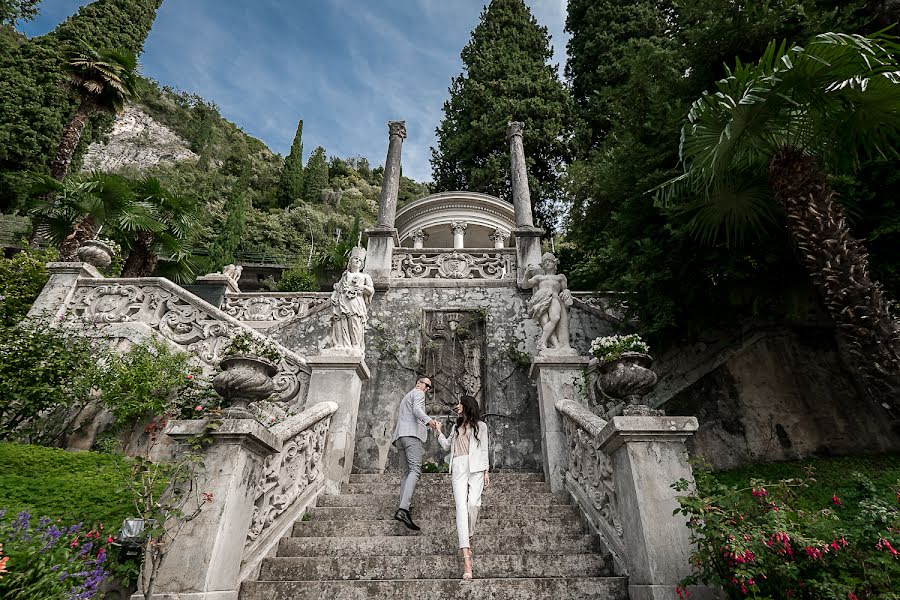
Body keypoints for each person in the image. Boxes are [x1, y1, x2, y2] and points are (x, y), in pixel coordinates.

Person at [435, 395, 490, 580]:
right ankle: (467, 558)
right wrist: (439, 431)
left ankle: (468, 532)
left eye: (459, 403)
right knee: (460, 509)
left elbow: (484, 449)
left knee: (473, 505)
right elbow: (446, 446)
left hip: (476, 467)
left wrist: (486, 470)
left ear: (467, 406)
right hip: (458, 466)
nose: (457, 406)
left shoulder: (481, 426)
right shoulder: (456, 427)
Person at [392, 376, 439, 531]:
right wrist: (430, 421)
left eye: (429, 387)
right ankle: (404, 509)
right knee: (415, 471)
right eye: (426, 384)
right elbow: (417, 410)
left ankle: (402, 507)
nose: (427, 388)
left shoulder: (407, 396)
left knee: (407, 473)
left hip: (400, 437)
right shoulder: (418, 393)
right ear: (418, 383)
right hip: (411, 436)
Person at [521, 252, 573, 351]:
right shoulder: (539, 278)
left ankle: (542, 341)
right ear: (542, 266)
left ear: (555, 263)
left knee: (555, 318)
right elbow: (525, 285)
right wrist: (526, 275)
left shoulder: (560, 277)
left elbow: (564, 290)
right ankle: (555, 346)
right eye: (545, 262)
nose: (547, 263)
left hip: (554, 298)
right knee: (545, 322)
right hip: (540, 300)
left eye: (550, 261)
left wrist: (567, 292)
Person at [329, 246, 374, 353]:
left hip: (356, 300)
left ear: (362, 264)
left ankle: (355, 345)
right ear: (350, 261)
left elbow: (371, 290)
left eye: (360, 260)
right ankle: (342, 344)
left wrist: (362, 288)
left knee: (355, 321)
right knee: (341, 321)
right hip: (342, 300)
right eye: (355, 259)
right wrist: (333, 298)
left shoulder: (365, 276)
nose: (357, 261)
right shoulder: (345, 275)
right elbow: (337, 288)